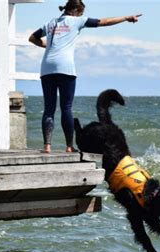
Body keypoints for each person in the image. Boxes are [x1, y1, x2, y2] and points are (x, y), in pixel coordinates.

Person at [29, 0, 141, 153]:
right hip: (65, 68)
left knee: (49, 108)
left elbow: (32, 38)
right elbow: (103, 22)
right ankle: (69, 147)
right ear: (75, 10)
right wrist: (126, 18)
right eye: (81, 13)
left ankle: (47, 147)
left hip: (47, 67)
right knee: (66, 107)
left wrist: (47, 46)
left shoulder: (50, 23)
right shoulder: (77, 21)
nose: (82, 15)